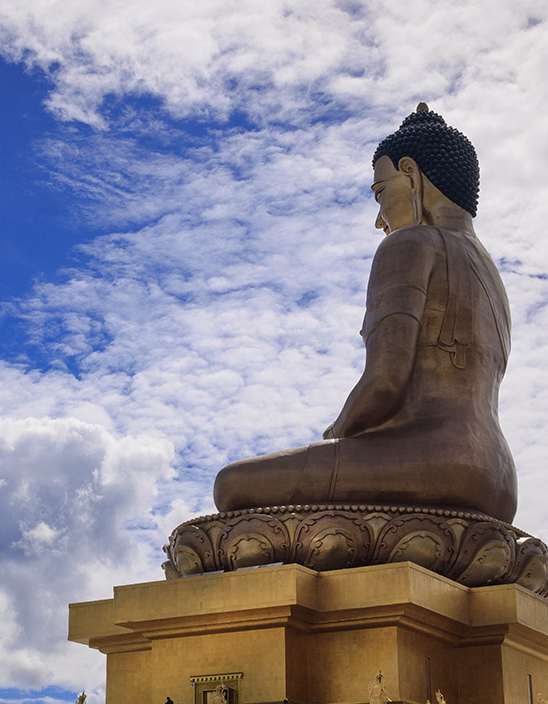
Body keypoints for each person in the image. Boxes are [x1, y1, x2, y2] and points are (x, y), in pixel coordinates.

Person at [213, 104, 518, 524]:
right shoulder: (490, 272)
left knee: (232, 485)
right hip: (499, 480)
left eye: (381, 193)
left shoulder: (411, 244)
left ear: (410, 173)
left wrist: (337, 433)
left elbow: (385, 383)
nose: (380, 221)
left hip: (432, 459)